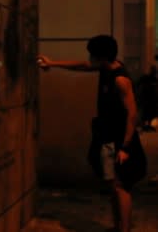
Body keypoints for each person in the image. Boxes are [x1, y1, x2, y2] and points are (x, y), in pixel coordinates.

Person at [37, 35, 146, 232]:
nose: (90, 58)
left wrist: (126, 147)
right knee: (113, 186)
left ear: (102, 56)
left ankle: (125, 229)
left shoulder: (120, 79)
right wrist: (52, 63)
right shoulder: (105, 67)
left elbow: (132, 115)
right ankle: (117, 226)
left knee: (122, 187)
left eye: (93, 54)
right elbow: (81, 65)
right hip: (105, 136)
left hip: (119, 140)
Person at [137, 65, 158, 131]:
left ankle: (148, 125)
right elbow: (138, 83)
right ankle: (144, 125)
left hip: (152, 100)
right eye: (153, 70)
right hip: (145, 99)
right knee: (145, 113)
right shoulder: (145, 78)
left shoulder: (154, 79)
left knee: (151, 113)